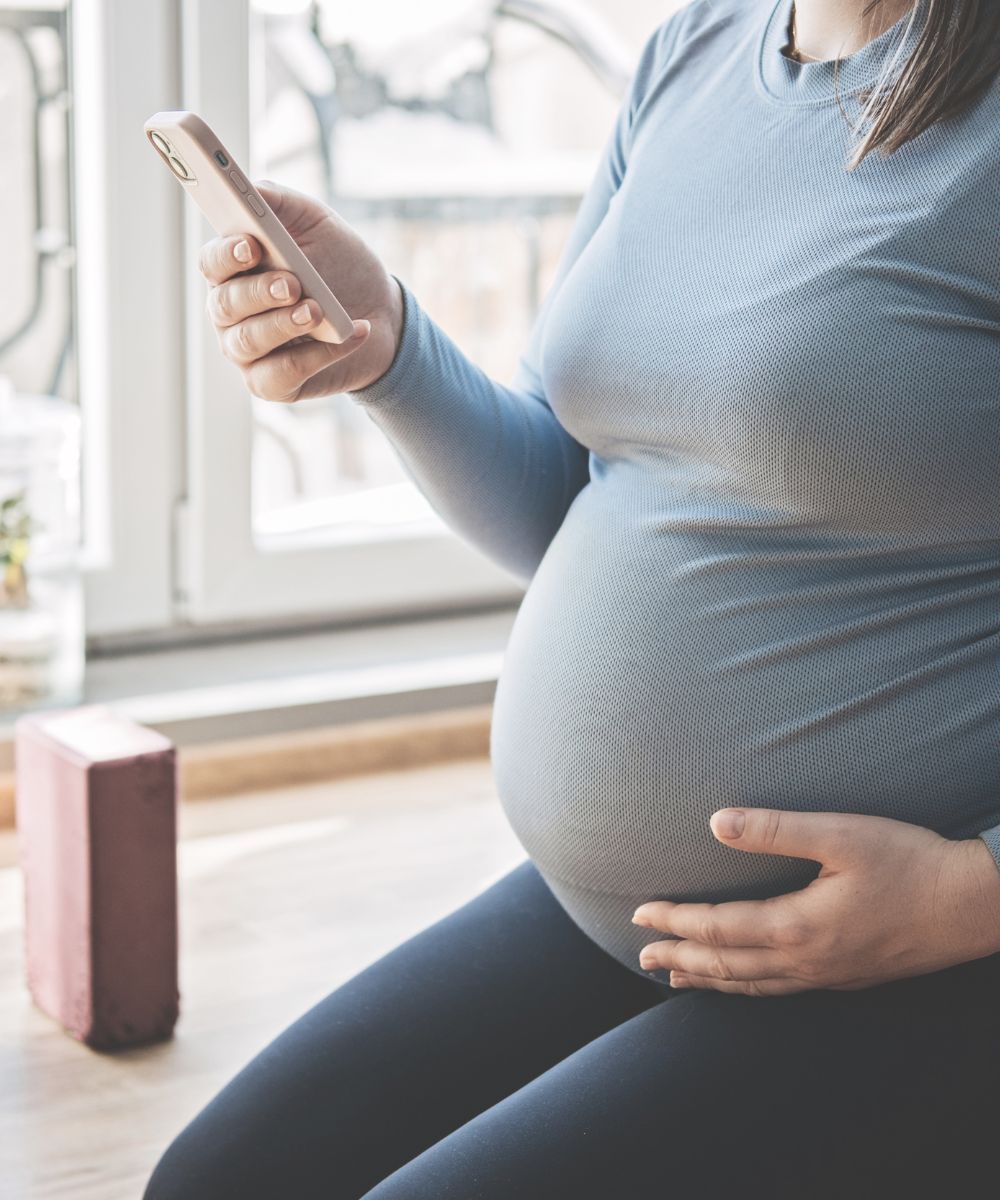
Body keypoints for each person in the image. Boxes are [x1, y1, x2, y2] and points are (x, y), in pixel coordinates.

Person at [143, 1, 1000, 1195]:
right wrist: (389, 351)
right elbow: (570, 490)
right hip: (630, 916)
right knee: (217, 1183)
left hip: (917, 958)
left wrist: (971, 900)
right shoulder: (698, 49)